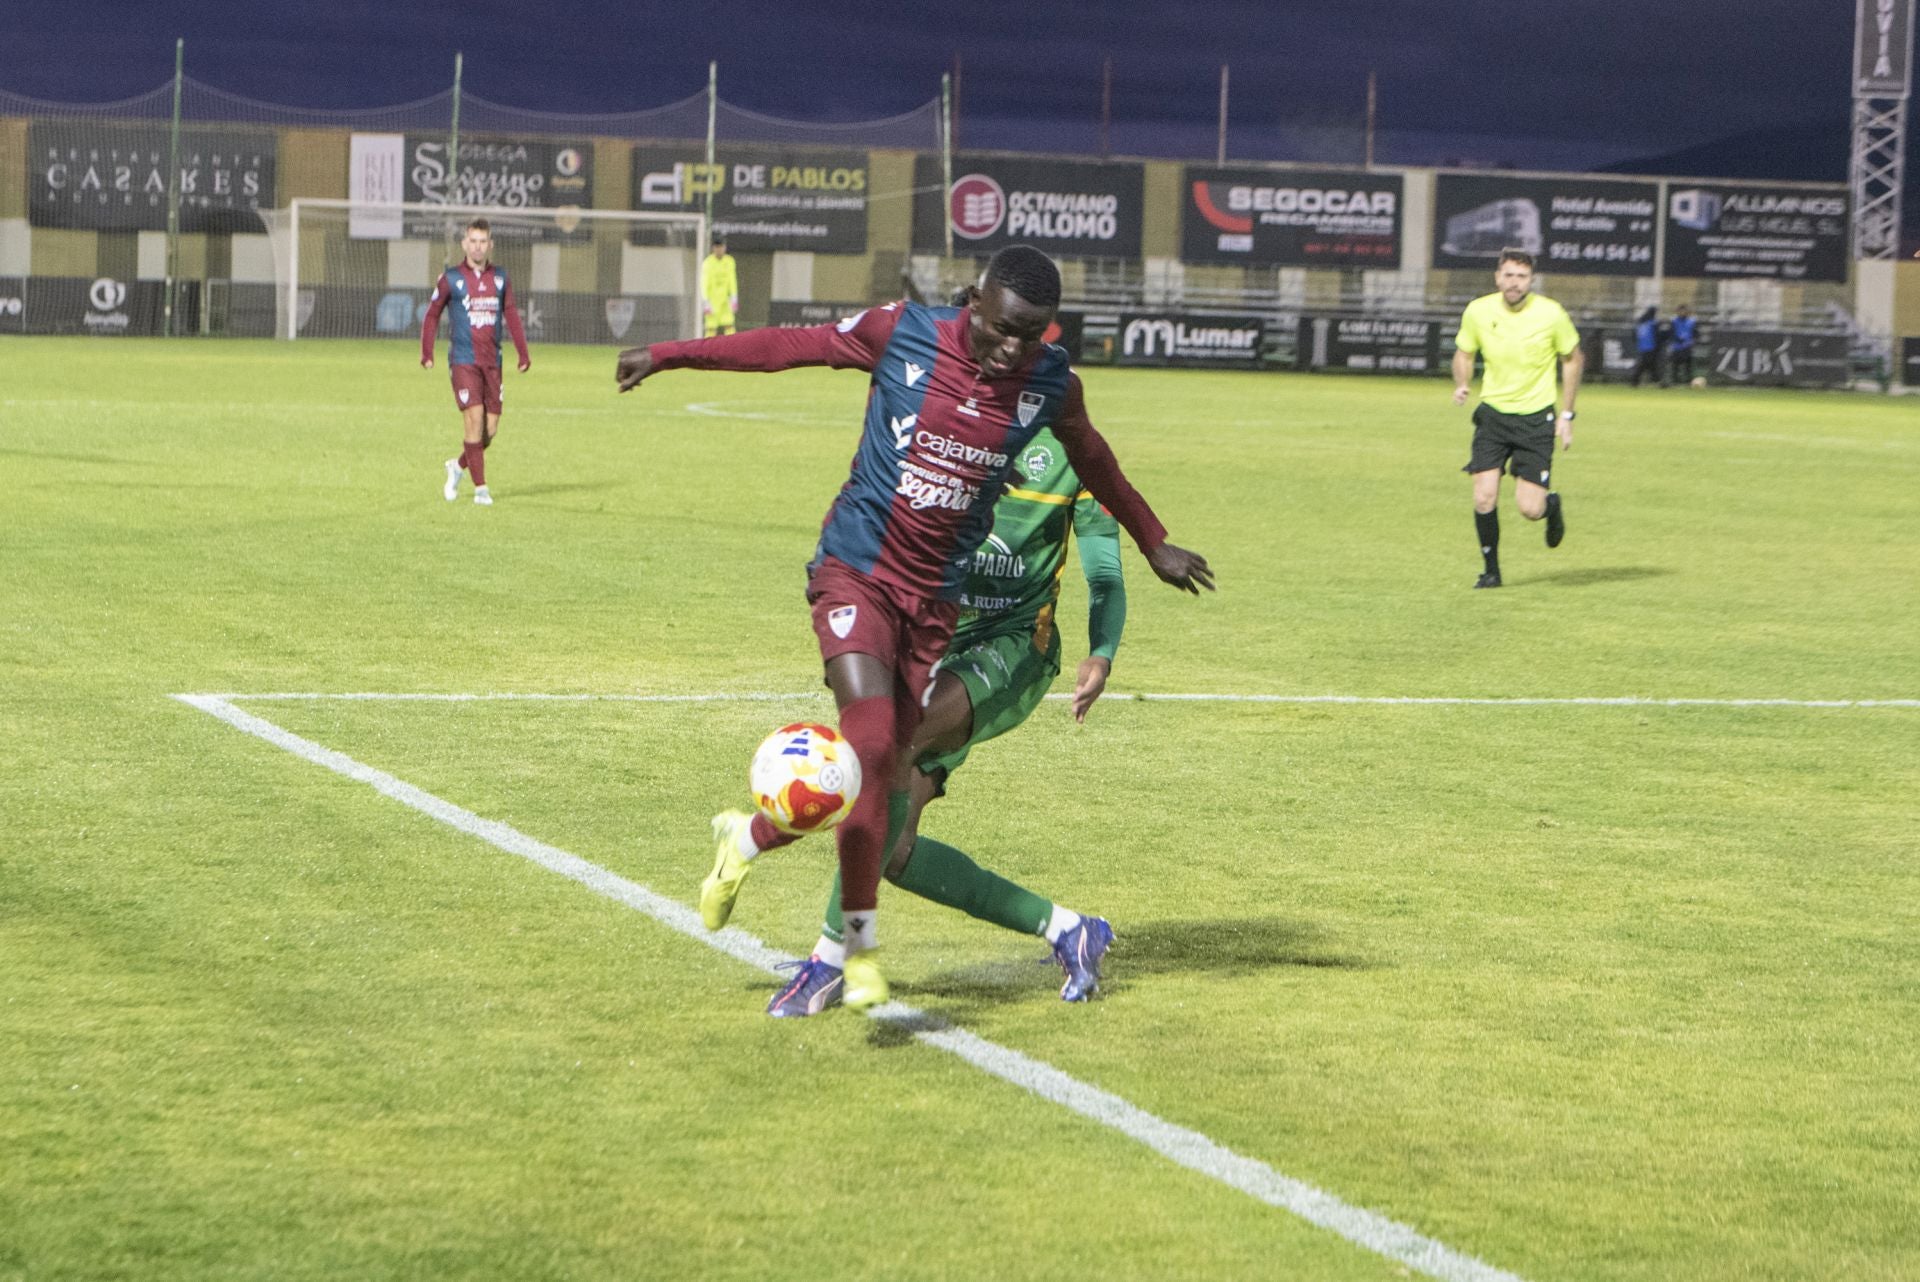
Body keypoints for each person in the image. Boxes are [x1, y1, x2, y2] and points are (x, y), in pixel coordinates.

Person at [615, 245, 1214, 1012]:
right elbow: (788, 346)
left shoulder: (1048, 387)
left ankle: (758, 845)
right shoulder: (903, 334)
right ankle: (847, 949)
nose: (1011, 349)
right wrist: (669, 353)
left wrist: (1152, 540)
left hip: (945, 614)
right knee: (870, 749)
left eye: (1030, 336)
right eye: (1001, 329)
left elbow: (1094, 456)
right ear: (973, 302)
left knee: (888, 819)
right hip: (857, 574)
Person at [703, 414, 1130, 1017]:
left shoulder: (1072, 456)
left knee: (888, 747)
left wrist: (1102, 654)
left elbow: (1106, 572)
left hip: (1014, 647)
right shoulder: (948, 432)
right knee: (895, 848)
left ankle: (830, 958)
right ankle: (1069, 929)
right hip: (935, 640)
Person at [1451, 248, 1582, 589]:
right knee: (1484, 496)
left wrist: (1566, 414)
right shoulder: (1478, 311)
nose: (1514, 283)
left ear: (1531, 280)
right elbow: (1464, 352)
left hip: (1536, 419)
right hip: (1493, 416)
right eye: (1508, 275)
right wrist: (1463, 383)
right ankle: (1490, 571)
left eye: (1521, 277)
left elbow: (1572, 359)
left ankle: (1550, 507)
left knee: (1529, 508)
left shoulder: (1551, 314)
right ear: (1498, 277)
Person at [421, 218, 530, 506]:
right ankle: (481, 489)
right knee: (474, 419)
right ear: (464, 244)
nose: (478, 246)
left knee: (489, 431)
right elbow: (432, 314)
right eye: (473, 241)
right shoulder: (451, 279)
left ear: (490, 244)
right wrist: (427, 352)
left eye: (483, 241)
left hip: (492, 362)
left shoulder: (501, 278)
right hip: (463, 361)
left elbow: (512, 315)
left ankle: (457, 467)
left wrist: (523, 353)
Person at [699, 235, 739, 337]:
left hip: (725, 301)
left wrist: (734, 297)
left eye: (721, 247)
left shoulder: (730, 261)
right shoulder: (707, 263)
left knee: (729, 327)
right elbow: (704, 283)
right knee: (711, 329)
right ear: (713, 248)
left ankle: (731, 350)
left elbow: (732, 280)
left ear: (724, 247)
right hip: (712, 301)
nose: (719, 250)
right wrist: (705, 301)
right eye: (717, 247)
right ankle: (707, 352)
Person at [1629, 306, 1664, 388]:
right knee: (1646, 365)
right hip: (1651, 346)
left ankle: (1656, 381)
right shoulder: (1653, 323)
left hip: (1642, 346)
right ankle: (1635, 381)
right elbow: (1657, 336)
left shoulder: (1641, 322)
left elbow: (1634, 335)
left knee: (1649, 365)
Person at [1669, 304, 1698, 385]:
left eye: (1684, 311)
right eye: (1680, 311)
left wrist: (1692, 341)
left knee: (1688, 366)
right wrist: (1676, 339)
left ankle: (1688, 381)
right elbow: (1671, 333)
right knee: (1675, 365)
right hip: (1677, 346)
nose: (1682, 312)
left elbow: (1696, 333)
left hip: (1687, 346)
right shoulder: (1674, 321)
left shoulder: (1692, 321)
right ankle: (1675, 381)